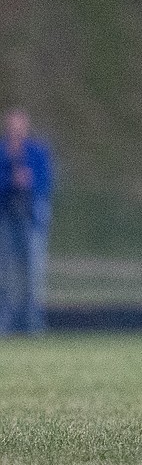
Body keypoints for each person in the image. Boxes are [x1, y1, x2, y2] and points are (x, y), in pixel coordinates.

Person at [0, 106, 55, 335]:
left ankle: (32, 324)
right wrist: (11, 181)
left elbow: (46, 182)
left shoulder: (37, 152)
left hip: (31, 218)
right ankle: (6, 323)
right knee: (6, 272)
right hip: (6, 217)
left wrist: (29, 183)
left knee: (33, 273)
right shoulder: (3, 153)